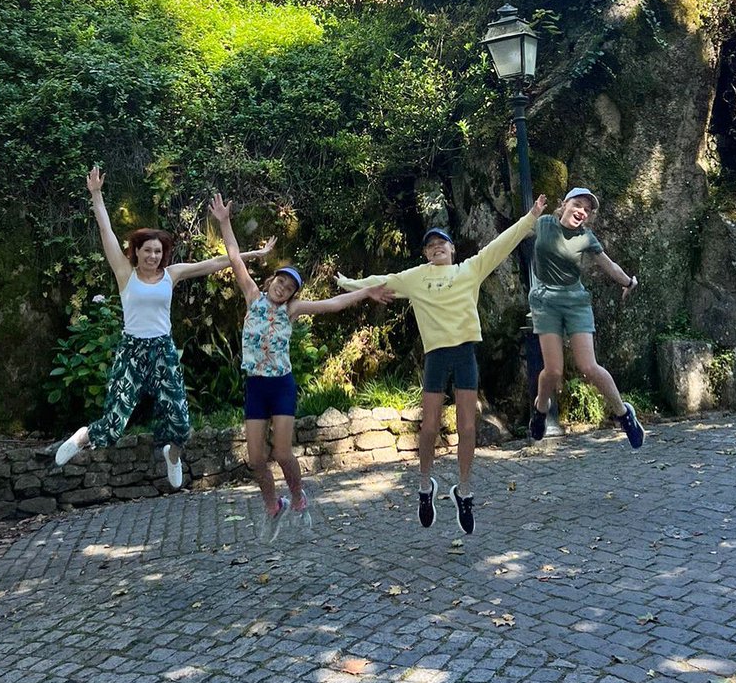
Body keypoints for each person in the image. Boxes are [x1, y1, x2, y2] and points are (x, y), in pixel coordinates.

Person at [335, 195, 547, 536]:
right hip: (436, 356)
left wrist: (531, 216)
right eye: (430, 245)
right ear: (425, 254)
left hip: (464, 353)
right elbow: (380, 280)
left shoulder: (469, 269)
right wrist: (347, 283)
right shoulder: (416, 277)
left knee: (468, 427)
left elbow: (501, 244)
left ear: (452, 249)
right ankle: (424, 486)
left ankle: (464, 490)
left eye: (441, 243)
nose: (436, 248)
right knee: (429, 427)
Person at [54, 167, 274, 486]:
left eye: (158, 251)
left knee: (181, 425)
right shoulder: (125, 273)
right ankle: (82, 437)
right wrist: (97, 194)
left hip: (162, 350)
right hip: (132, 351)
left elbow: (216, 263)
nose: (153, 256)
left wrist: (254, 253)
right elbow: (106, 232)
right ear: (137, 252)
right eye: (148, 251)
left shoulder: (172, 274)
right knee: (113, 424)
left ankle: (172, 455)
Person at [208, 193, 392, 542]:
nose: (283, 288)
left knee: (281, 452)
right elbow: (234, 257)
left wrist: (366, 292)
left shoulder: (291, 311)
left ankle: (298, 498)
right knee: (256, 459)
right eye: (281, 281)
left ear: (293, 295)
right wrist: (225, 221)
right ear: (272, 281)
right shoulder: (252, 297)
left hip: (281, 385)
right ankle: (272, 506)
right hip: (255, 386)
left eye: (290, 287)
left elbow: (333, 304)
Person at [527, 187, 644, 448]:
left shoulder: (586, 237)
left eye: (587, 210)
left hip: (575, 302)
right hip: (545, 301)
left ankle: (624, 415)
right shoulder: (544, 224)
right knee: (553, 371)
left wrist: (628, 282)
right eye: (578, 204)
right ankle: (541, 409)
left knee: (589, 367)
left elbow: (609, 265)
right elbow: (515, 234)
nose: (582, 211)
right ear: (564, 205)